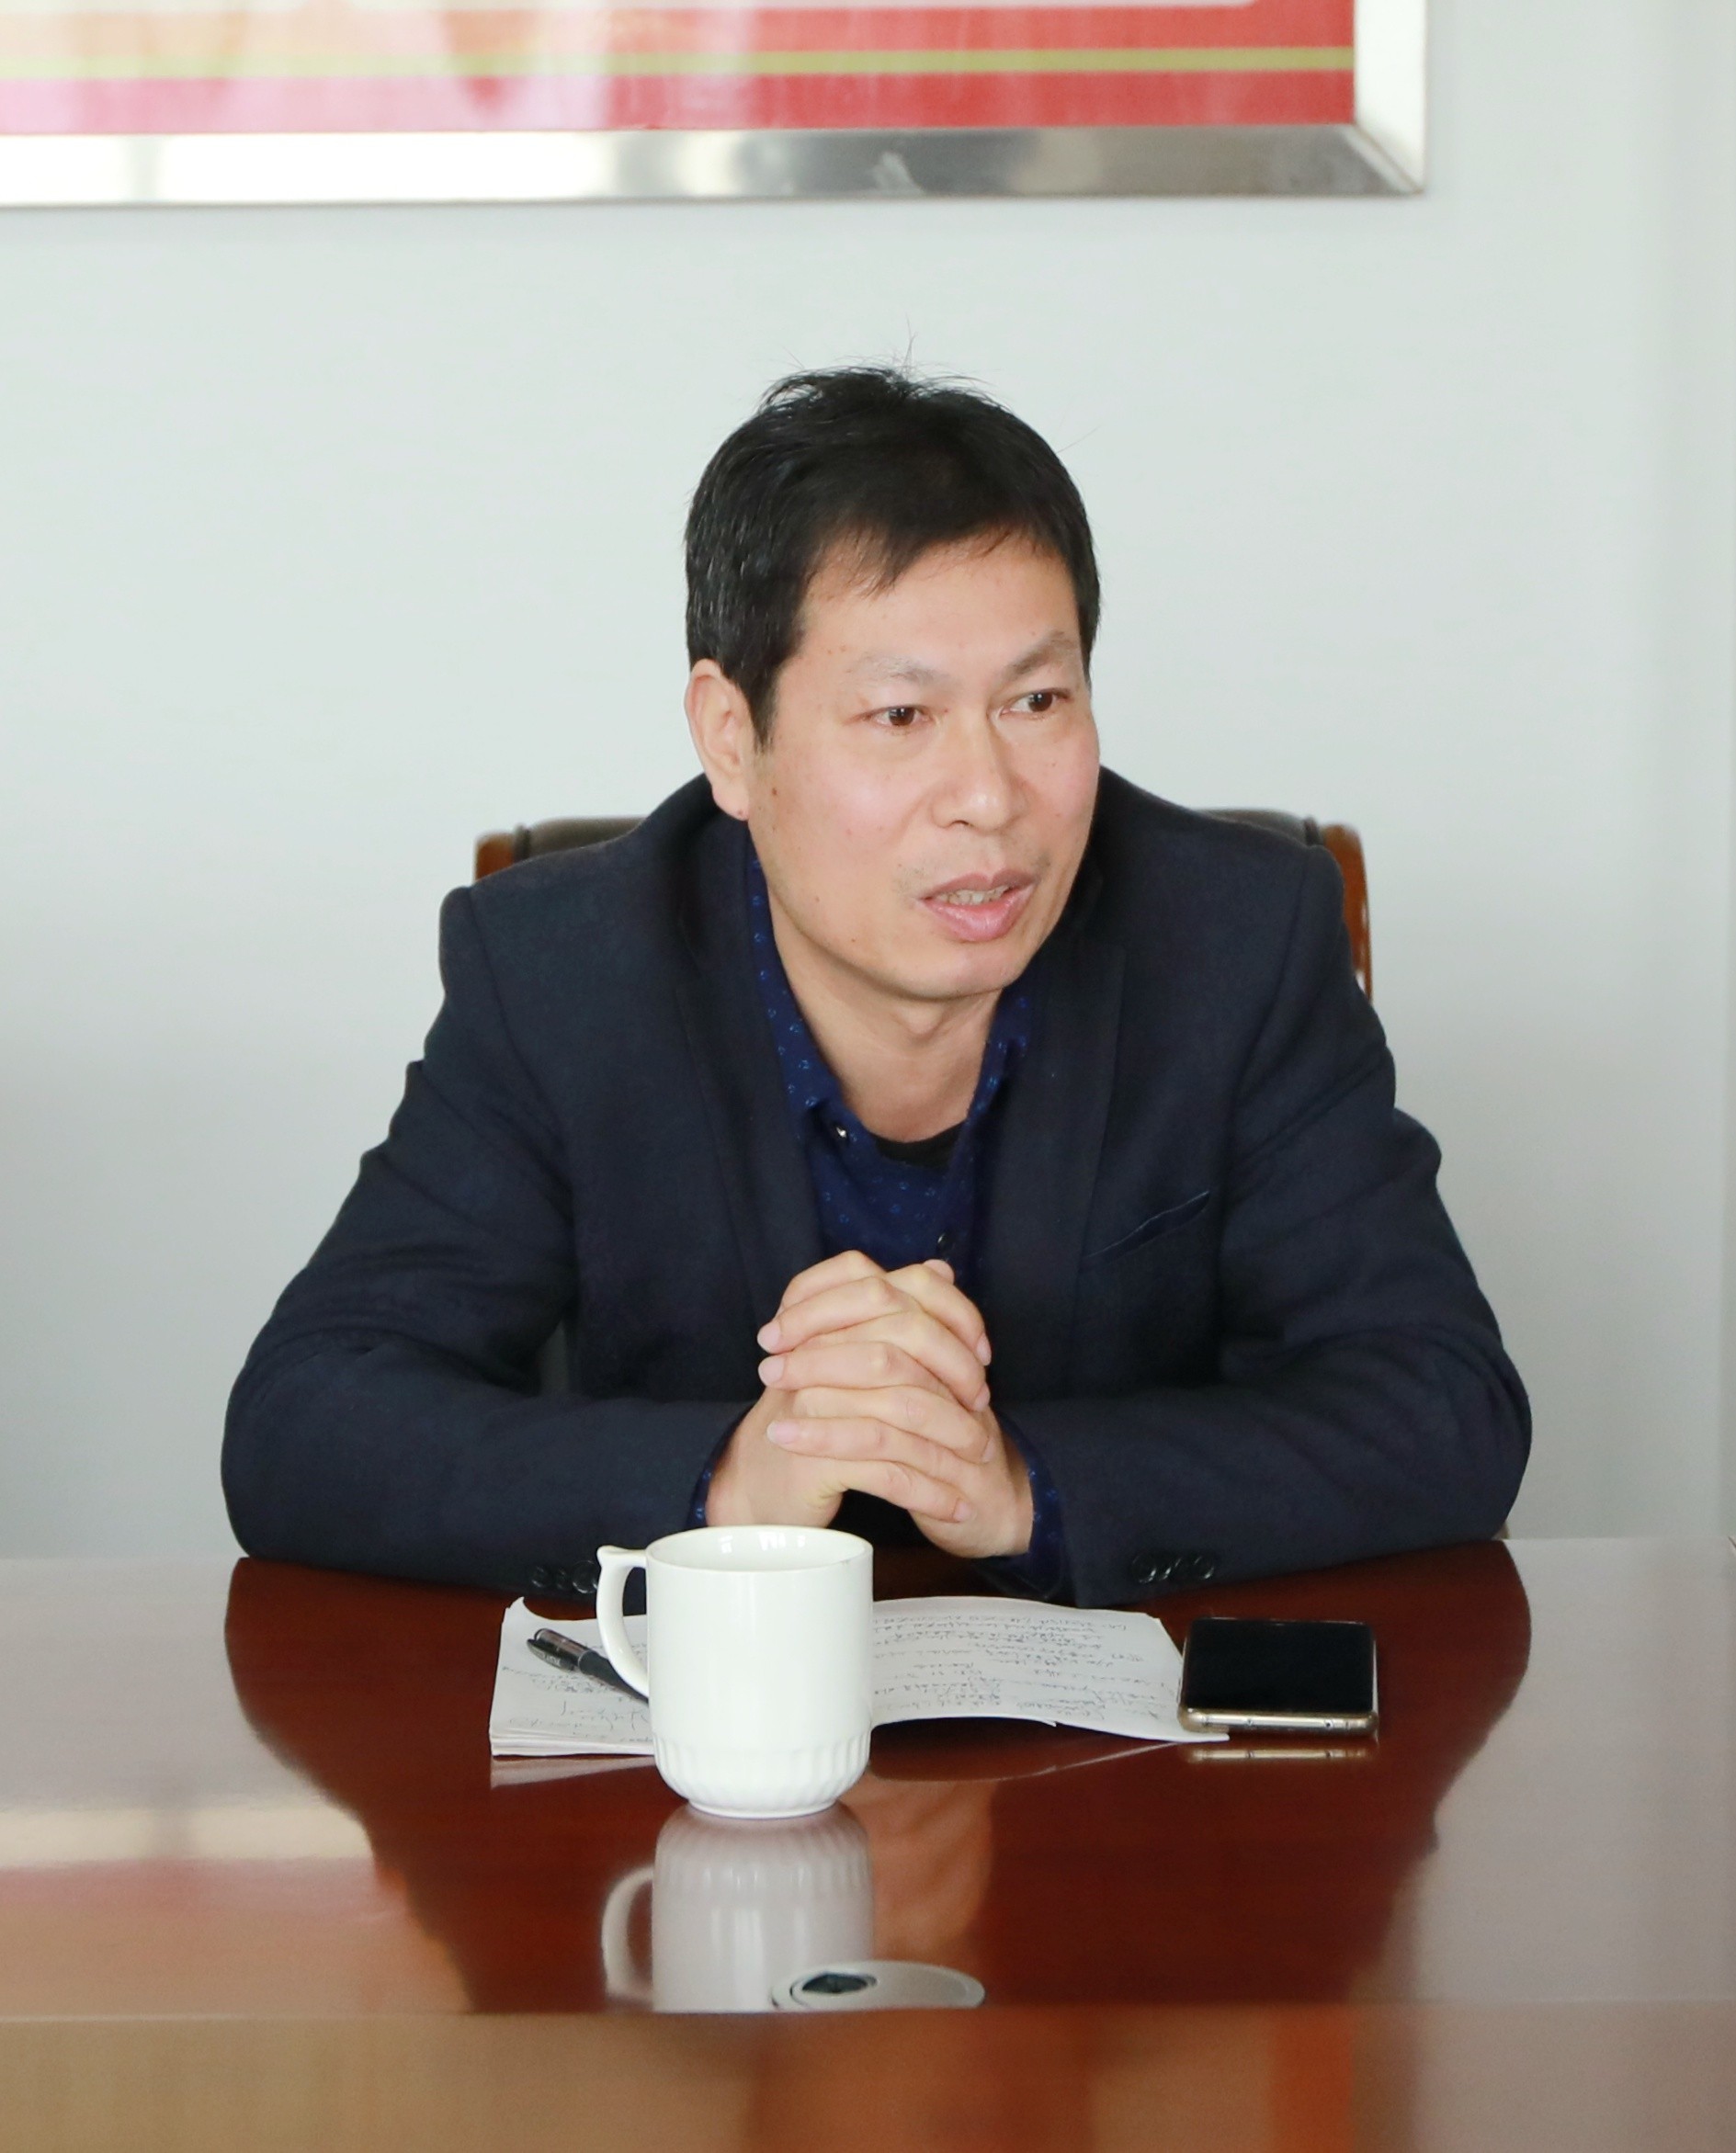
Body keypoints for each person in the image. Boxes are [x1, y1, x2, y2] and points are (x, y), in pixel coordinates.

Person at [223, 366, 1528, 1607]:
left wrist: (1022, 1488)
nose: (987, 799)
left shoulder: (1236, 943)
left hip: (1117, 1736)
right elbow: (308, 1423)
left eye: (1036, 700)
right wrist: (732, 1483)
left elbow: (1443, 1406)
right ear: (732, 739)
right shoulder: (563, 975)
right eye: (901, 717)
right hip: (703, 1741)